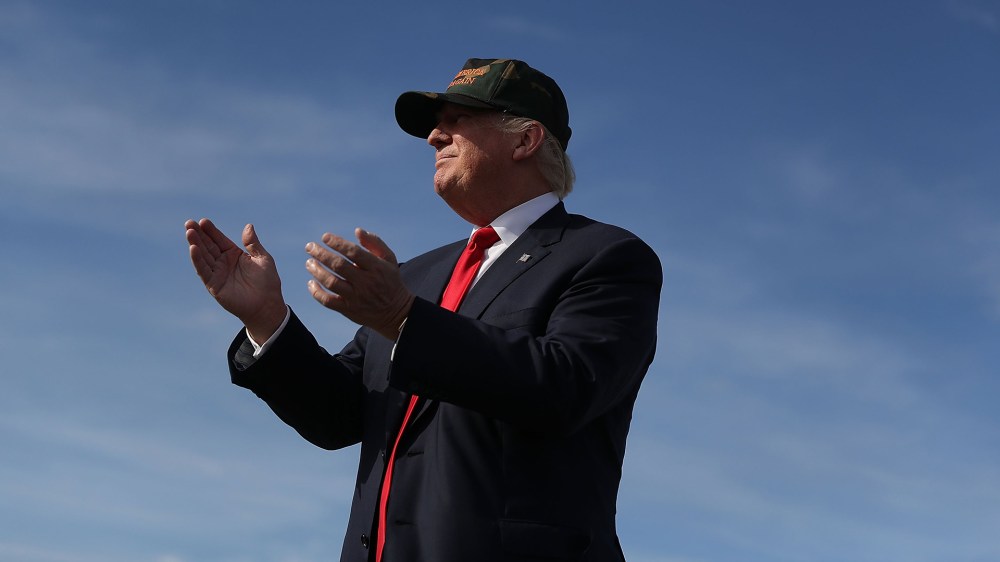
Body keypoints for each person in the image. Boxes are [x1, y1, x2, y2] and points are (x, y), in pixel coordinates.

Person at [185, 58, 662, 562]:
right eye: (436, 126)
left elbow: (568, 387)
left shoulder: (605, 256)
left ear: (526, 141)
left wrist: (402, 319)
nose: (435, 137)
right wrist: (266, 320)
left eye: (457, 120)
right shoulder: (416, 277)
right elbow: (338, 416)